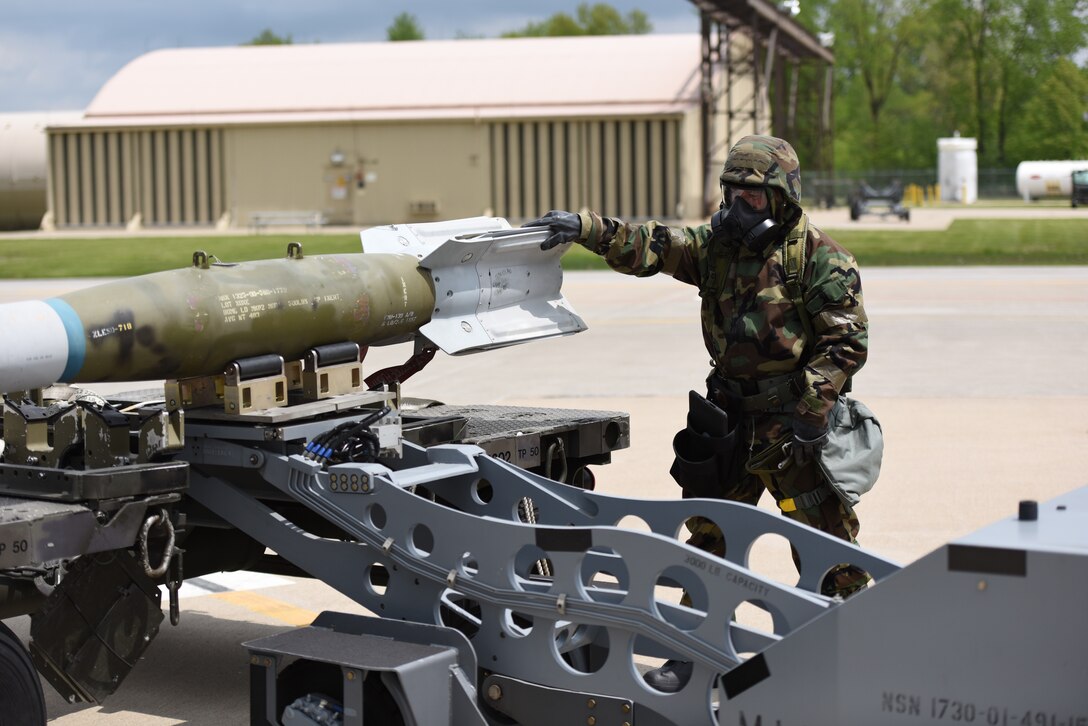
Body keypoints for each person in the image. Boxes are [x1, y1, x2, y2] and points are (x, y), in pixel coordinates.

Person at [524, 134, 873, 692]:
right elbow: (654, 245)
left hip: (792, 428)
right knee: (710, 542)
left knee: (827, 542)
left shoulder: (821, 259)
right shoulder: (718, 249)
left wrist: (812, 408)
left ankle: (859, 650)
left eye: (753, 196)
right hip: (730, 420)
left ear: (782, 197)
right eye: (731, 193)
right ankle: (693, 653)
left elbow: (846, 344)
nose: (739, 206)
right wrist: (588, 228)